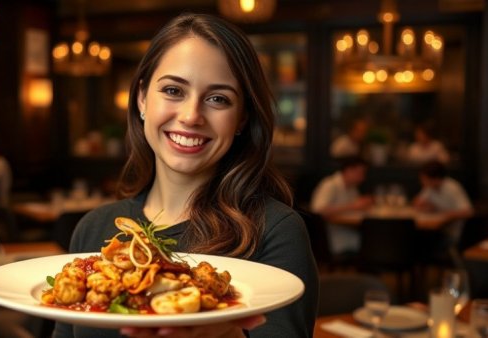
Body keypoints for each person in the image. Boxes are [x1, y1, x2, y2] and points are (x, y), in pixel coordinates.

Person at [54, 13, 318, 338]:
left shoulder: (276, 232)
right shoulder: (92, 228)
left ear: (241, 119)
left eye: (218, 99)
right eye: (173, 90)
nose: (191, 116)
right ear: (141, 99)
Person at [310, 156, 373, 255]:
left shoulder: (352, 188)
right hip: (331, 237)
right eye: (360, 173)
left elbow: (355, 208)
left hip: (346, 230)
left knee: (372, 237)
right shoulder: (330, 184)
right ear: (349, 170)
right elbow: (318, 210)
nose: (362, 178)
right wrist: (353, 206)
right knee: (371, 242)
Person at [413, 160, 473, 246]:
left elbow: (468, 212)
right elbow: (418, 202)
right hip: (437, 230)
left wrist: (444, 214)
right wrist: (426, 206)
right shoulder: (430, 188)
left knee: (419, 240)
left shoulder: (452, 187)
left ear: (436, 179)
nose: (422, 182)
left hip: (453, 233)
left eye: (425, 179)